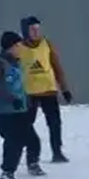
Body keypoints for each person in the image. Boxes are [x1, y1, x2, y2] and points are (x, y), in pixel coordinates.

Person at [0, 31, 45, 179]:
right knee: (14, 140)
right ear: (10, 46)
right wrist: (12, 100)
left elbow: (19, 86)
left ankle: (33, 164)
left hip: (18, 110)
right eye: (18, 45)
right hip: (2, 111)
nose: (21, 47)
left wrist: (29, 101)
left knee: (32, 139)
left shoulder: (16, 63)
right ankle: (7, 174)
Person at [12, 16, 73, 163]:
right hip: (28, 93)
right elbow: (11, 71)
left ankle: (57, 152)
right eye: (32, 29)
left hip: (48, 90)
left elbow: (56, 67)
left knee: (54, 123)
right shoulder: (18, 48)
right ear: (25, 30)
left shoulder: (46, 44)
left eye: (37, 29)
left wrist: (64, 89)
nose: (36, 32)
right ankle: (22, 152)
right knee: (26, 125)